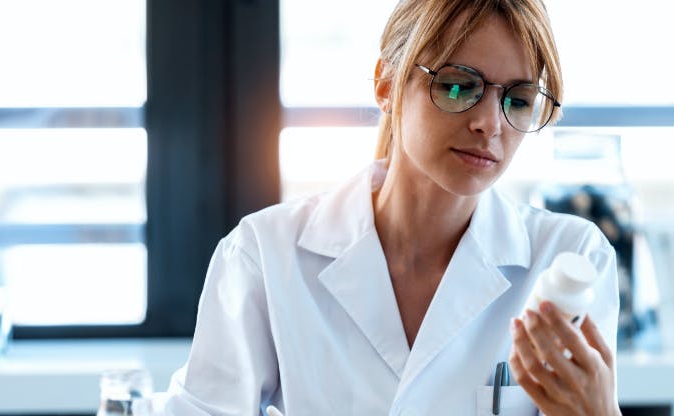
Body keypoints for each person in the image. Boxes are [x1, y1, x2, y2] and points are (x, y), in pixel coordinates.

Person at [164, 0, 620, 414]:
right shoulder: (265, 253)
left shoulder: (571, 257)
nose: (489, 124)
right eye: (459, 87)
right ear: (386, 85)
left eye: (517, 100)